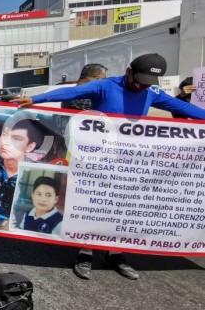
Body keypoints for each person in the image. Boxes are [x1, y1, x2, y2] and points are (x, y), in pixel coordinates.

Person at [13, 53, 205, 281]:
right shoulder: (106, 86)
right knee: (93, 204)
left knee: (123, 206)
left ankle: (117, 254)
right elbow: (72, 92)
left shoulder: (150, 93)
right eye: (138, 80)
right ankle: (85, 253)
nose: (140, 86)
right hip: (98, 158)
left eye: (146, 83)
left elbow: (186, 110)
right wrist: (35, 101)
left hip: (128, 162)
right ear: (128, 70)